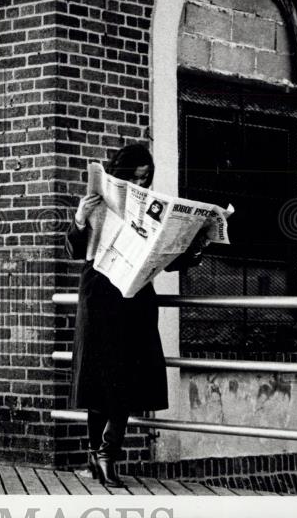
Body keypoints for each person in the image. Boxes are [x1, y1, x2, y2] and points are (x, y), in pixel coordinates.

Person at [66, 143, 208, 486]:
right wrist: (80, 217)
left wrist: (196, 244)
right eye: (136, 178)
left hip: (136, 298)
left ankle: (104, 454)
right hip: (101, 296)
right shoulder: (100, 201)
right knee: (102, 378)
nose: (142, 185)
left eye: (147, 179)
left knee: (127, 378)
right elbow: (73, 249)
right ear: (122, 174)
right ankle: (100, 454)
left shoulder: (152, 208)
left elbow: (169, 259)